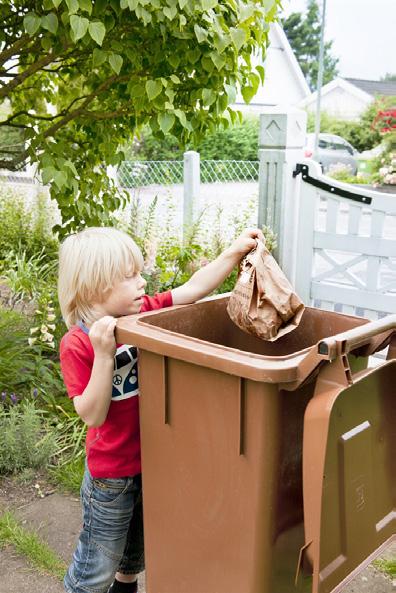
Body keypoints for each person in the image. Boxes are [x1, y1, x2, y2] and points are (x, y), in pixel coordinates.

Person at [58, 226, 264, 593]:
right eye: (130, 277)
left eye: (140, 274)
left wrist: (233, 253)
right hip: (112, 477)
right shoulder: (78, 344)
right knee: (97, 566)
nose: (142, 283)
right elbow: (91, 415)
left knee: (135, 556)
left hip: (154, 465)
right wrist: (105, 355)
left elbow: (193, 290)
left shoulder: (145, 314)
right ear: (94, 286)